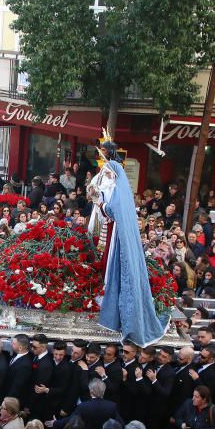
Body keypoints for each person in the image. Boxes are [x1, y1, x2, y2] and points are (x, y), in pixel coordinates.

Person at [88, 138, 167, 345]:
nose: (105, 175)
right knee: (107, 262)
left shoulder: (118, 186)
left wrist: (99, 201)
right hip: (113, 229)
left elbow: (112, 209)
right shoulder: (116, 185)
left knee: (112, 263)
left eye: (107, 173)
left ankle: (111, 299)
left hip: (117, 232)